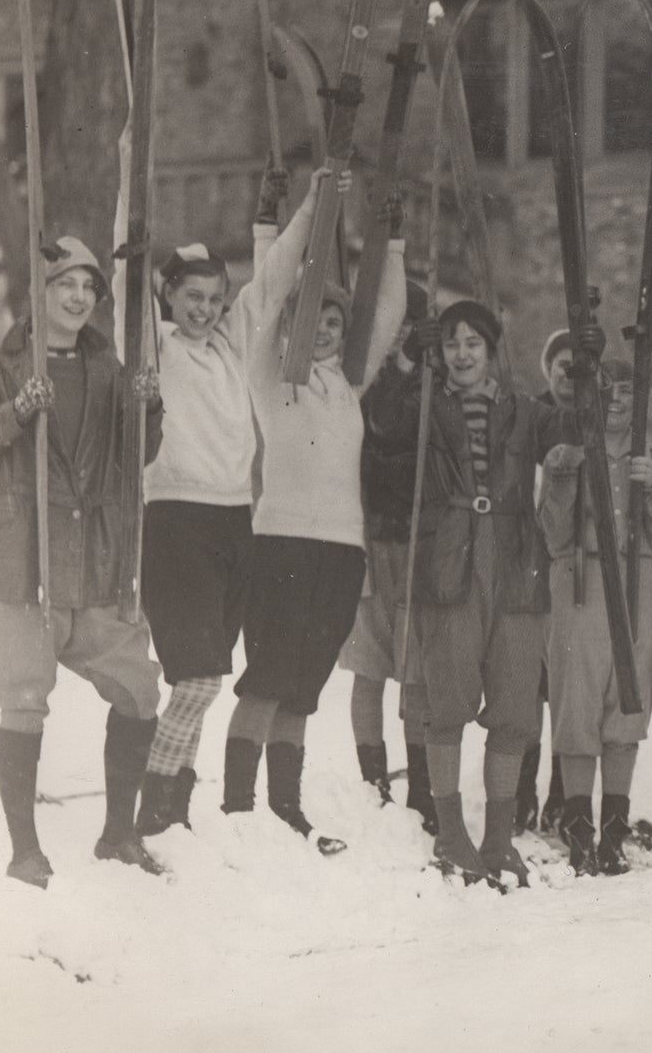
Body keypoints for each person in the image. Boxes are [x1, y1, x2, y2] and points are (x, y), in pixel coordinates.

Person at [0, 237, 164, 886]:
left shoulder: (110, 369)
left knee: (140, 690)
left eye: (88, 288)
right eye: (64, 283)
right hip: (22, 568)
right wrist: (16, 412)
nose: (76, 297)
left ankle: (119, 834)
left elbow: (137, 457)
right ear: (39, 292)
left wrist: (148, 407)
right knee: (23, 700)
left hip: (93, 564)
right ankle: (25, 850)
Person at [373, 298, 588, 886]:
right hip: (449, 564)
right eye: (451, 344)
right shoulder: (426, 407)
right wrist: (405, 365)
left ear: (492, 351)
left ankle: (497, 839)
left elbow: (576, 428)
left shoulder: (524, 412)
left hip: (518, 565)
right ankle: (450, 832)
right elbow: (383, 424)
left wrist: (585, 374)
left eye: (472, 343)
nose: (461, 354)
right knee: (448, 703)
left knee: (517, 708)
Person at [228, 169, 406, 855]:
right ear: (295, 327)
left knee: (302, 687)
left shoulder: (348, 387)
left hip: (341, 549)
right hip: (281, 543)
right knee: (268, 675)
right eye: (314, 320)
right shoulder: (273, 380)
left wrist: (390, 245)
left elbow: (384, 314)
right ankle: (240, 809)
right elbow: (267, 293)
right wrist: (291, 218)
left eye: (333, 320)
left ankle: (285, 808)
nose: (326, 330)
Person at [133, 240, 257, 838]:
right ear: (168, 296)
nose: (203, 310)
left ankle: (172, 813)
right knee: (201, 678)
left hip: (235, 522)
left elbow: (279, 278)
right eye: (191, 297)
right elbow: (123, 296)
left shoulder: (233, 351)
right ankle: (152, 805)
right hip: (177, 516)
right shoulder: (157, 345)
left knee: (200, 682)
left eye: (213, 299)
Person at [538, 334, 652, 874]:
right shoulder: (568, 449)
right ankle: (577, 824)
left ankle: (616, 824)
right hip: (582, 578)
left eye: (625, 390)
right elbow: (552, 536)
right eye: (605, 389)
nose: (614, 399)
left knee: (628, 698)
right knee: (577, 698)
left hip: (638, 577)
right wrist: (563, 477)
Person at [341, 277, 431, 822]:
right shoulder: (362, 377)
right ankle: (372, 779)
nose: (397, 337)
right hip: (372, 536)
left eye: (407, 326)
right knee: (369, 667)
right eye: (388, 326)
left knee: (416, 666)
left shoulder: (432, 378)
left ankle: (421, 782)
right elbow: (375, 421)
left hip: (418, 539)